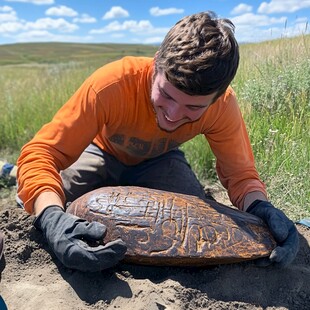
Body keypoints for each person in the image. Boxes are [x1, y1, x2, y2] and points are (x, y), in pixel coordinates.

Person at [16, 11, 299, 272]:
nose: (173, 115)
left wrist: (262, 209)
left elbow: (241, 175)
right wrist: (52, 219)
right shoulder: (111, 84)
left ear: (217, 96)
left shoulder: (223, 106)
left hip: (161, 160)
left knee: (196, 218)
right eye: (167, 95)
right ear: (156, 64)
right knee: (41, 199)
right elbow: (42, 153)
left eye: (193, 108)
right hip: (100, 152)